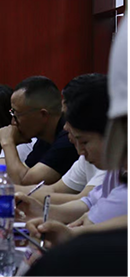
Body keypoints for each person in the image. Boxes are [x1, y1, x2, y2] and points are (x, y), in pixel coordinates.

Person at [22, 21, 127, 276]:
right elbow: (89, 203)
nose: (78, 148)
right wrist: (44, 213)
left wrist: (74, 235)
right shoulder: (117, 167)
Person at [17, 73, 126, 230]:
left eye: (85, 142)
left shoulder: (111, 162)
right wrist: (39, 210)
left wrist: (72, 234)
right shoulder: (114, 168)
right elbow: (88, 203)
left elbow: (92, 221)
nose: (66, 126)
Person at [0, 76, 78, 185]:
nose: (13, 122)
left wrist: (7, 142)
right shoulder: (45, 138)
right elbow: (23, 173)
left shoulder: (69, 138)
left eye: (17, 115)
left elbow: (24, 182)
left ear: (43, 115)